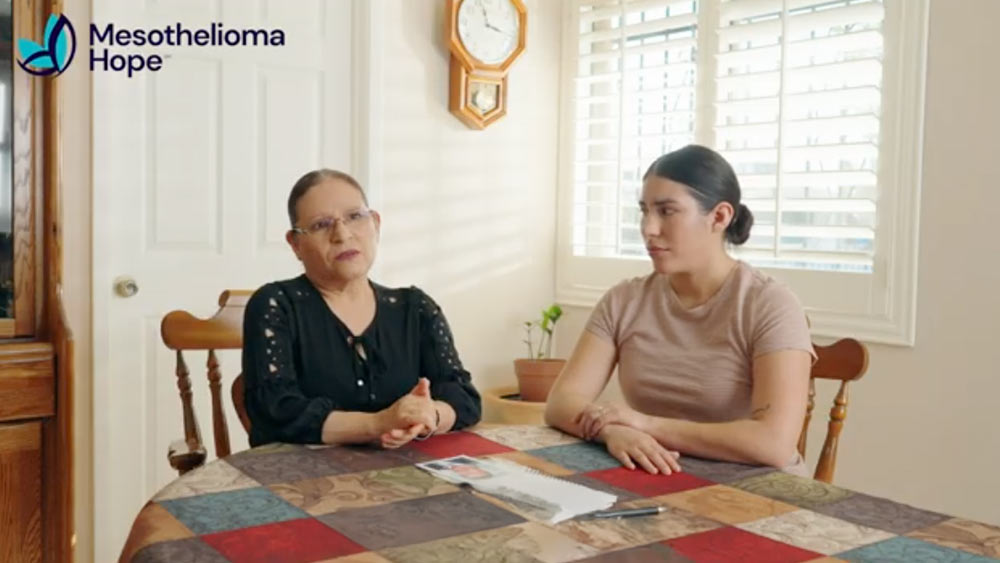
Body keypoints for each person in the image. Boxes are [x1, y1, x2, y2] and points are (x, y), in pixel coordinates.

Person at [544, 145, 816, 476]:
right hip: (665, 477)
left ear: (719, 217)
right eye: (644, 211)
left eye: (666, 211)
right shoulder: (624, 300)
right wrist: (612, 430)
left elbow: (773, 443)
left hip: (762, 493)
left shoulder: (770, 304)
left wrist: (645, 424)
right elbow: (562, 401)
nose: (648, 228)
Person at [243, 169, 481, 448]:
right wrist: (378, 424)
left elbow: (463, 397)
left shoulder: (415, 308)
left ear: (376, 224)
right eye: (321, 225)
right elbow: (276, 413)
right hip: (300, 484)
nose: (342, 235)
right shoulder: (275, 305)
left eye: (355, 216)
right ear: (295, 243)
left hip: (403, 476)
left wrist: (429, 415)